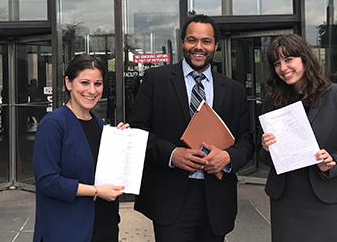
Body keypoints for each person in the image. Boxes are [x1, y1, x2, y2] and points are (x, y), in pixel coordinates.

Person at [128, 14, 254, 242]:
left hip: (217, 199)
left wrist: (227, 157)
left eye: (206, 41)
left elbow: (246, 141)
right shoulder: (155, 80)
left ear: (215, 45)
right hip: (171, 198)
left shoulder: (234, 90)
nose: (198, 47)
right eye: (192, 40)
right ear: (183, 42)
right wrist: (172, 154)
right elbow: (137, 132)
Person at [260, 33, 337, 242]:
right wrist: (266, 148)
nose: (283, 68)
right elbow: (263, 157)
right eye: (277, 63)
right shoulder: (272, 101)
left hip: (328, 197)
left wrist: (333, 162)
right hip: (287, 197)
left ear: (305, 59)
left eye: (289, 59)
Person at [32, 54, 129, 242]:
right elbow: (47, 181)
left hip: (104, 225)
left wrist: (122, 142)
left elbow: (107, 175)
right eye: (84, 82)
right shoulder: (53, 124)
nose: (92, 91)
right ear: (68, 83)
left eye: (98, 84)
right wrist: (95, 191)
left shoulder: (101, 126)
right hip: (67, 229)